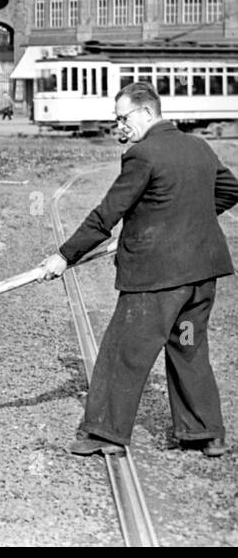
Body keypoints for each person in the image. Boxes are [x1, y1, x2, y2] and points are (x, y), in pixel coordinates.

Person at [41, 82, 237, 458]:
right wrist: (183, 221)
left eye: (123, 118)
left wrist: (64, 256)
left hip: (157, 280)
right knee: (187, 346)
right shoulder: (198, 147)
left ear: (147, 113)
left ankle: (104, 434)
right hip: (201, 277)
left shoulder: (142, 155)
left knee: (123, 351)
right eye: (116, 120)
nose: (120, 128)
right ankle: (206, 433)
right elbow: (230, 190)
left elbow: (106, 215)